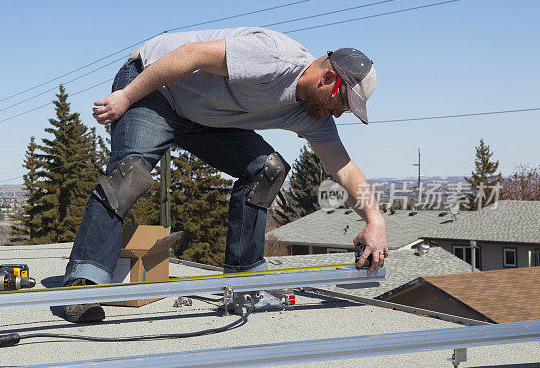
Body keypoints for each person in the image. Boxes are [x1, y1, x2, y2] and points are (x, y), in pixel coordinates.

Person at [61, 27, 388, 323]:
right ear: (329, 80)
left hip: (203, 116)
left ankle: (244, 283)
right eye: (343, 103)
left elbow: (343, 168)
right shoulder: (274, 57)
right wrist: (127, 96)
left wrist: (375, 220)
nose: (340, 113)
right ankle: (83, 285)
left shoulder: (313, 115)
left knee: (267, 171)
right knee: (129, 176)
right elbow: (191, 54)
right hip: (155, 89)